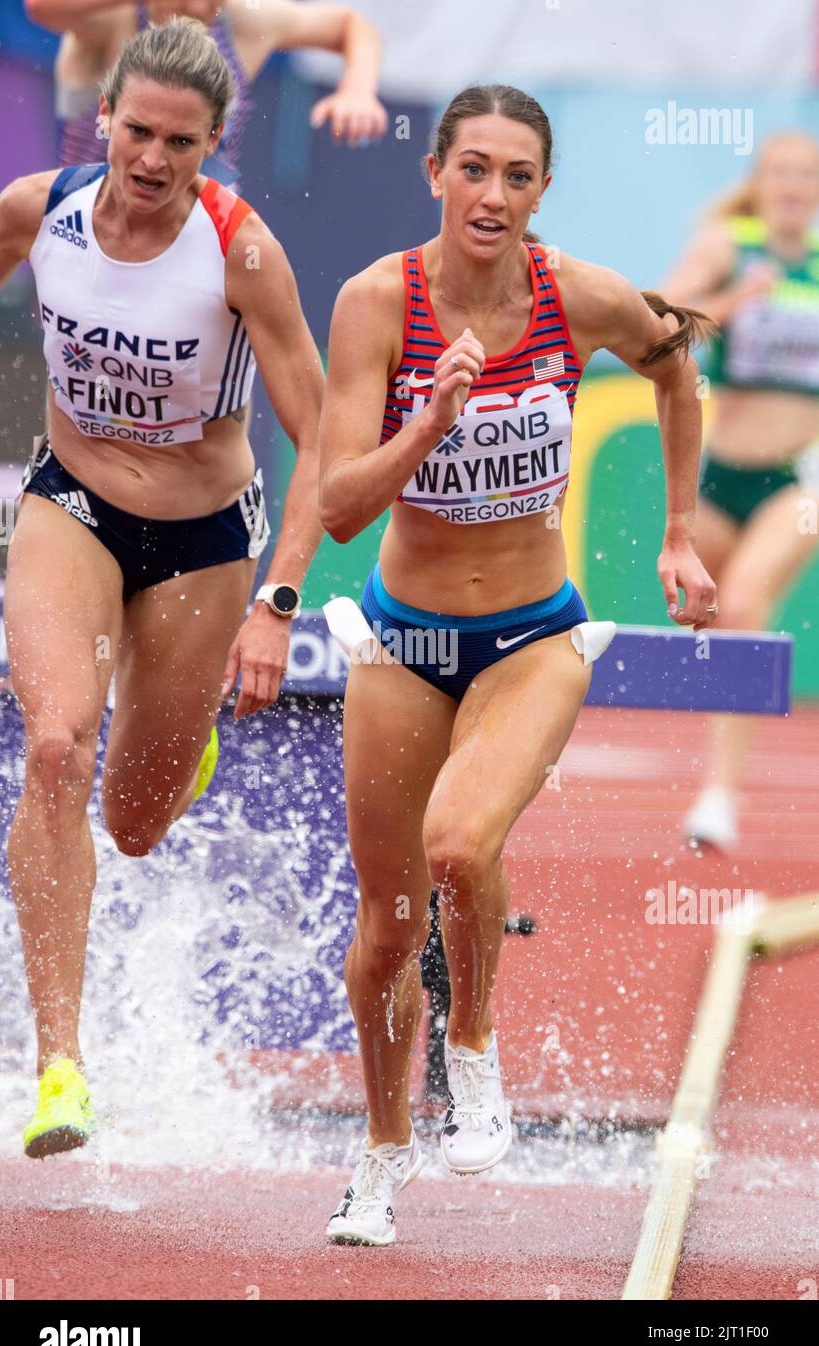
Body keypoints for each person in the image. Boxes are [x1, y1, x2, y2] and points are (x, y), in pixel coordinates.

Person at [318, 83, 718, 1246]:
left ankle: (475, 1044)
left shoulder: (574, 295)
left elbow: (673, 361)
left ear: (542, 191)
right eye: (473, 168)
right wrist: (425, 427)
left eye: (517, 176)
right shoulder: (375, 303)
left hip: (534, 634)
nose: (492, 194)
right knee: (386, 927)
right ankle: (383, 1152)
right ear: (433, 171)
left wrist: (678, 532)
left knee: (458, 843)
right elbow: (341, 510)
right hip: (402, 637)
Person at [0, 17, 323, 1157]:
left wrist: (278, 601)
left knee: (133, 823)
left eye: (179, 144)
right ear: (104, 121)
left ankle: (181, 751)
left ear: (212, 145)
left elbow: (316, 436)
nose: (150, 159)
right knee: (52, 749)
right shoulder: (38, 211)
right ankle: (60, 1069)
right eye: (136, 132)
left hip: (202, 539)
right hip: (70, 503)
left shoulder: (240, 253)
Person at [662, 132, 819, 852]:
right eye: (779, 173)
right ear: (761, 184)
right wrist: (730, 300)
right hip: (718, 476)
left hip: (800, 476)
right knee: (705, 613)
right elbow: (659, 314)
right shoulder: (730, 242)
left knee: (750, 600)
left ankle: (719, 794)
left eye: (805, 175)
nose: (792, 185)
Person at [25, 0, 388, 188]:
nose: (198, 9)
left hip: (196, 237)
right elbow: (40, 7)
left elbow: (353, 25)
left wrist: (357, 89)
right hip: (96, 225)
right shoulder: (111, 20)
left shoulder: (246, 21)